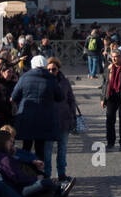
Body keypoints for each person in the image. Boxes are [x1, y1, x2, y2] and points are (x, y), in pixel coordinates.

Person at [9, 55, 63, 178]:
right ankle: (40, 175)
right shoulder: (51, 79)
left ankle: (25, 173)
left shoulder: (24, 77)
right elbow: (60, 97)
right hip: (44, 117)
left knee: (26, 146)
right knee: (40, 148)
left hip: (27, 116)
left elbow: (14, 96)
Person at [45, 58, 77, 187]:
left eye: (54, 69)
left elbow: (71, 99)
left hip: (64, 119)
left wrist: (73, 116)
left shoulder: (64, 82)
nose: (51, 71)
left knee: (62, 148)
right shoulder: (44, 81)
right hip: (49, 120)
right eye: (49, 69)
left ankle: (61, 174)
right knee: (47, 150)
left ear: (58, 69)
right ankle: (47, 174)